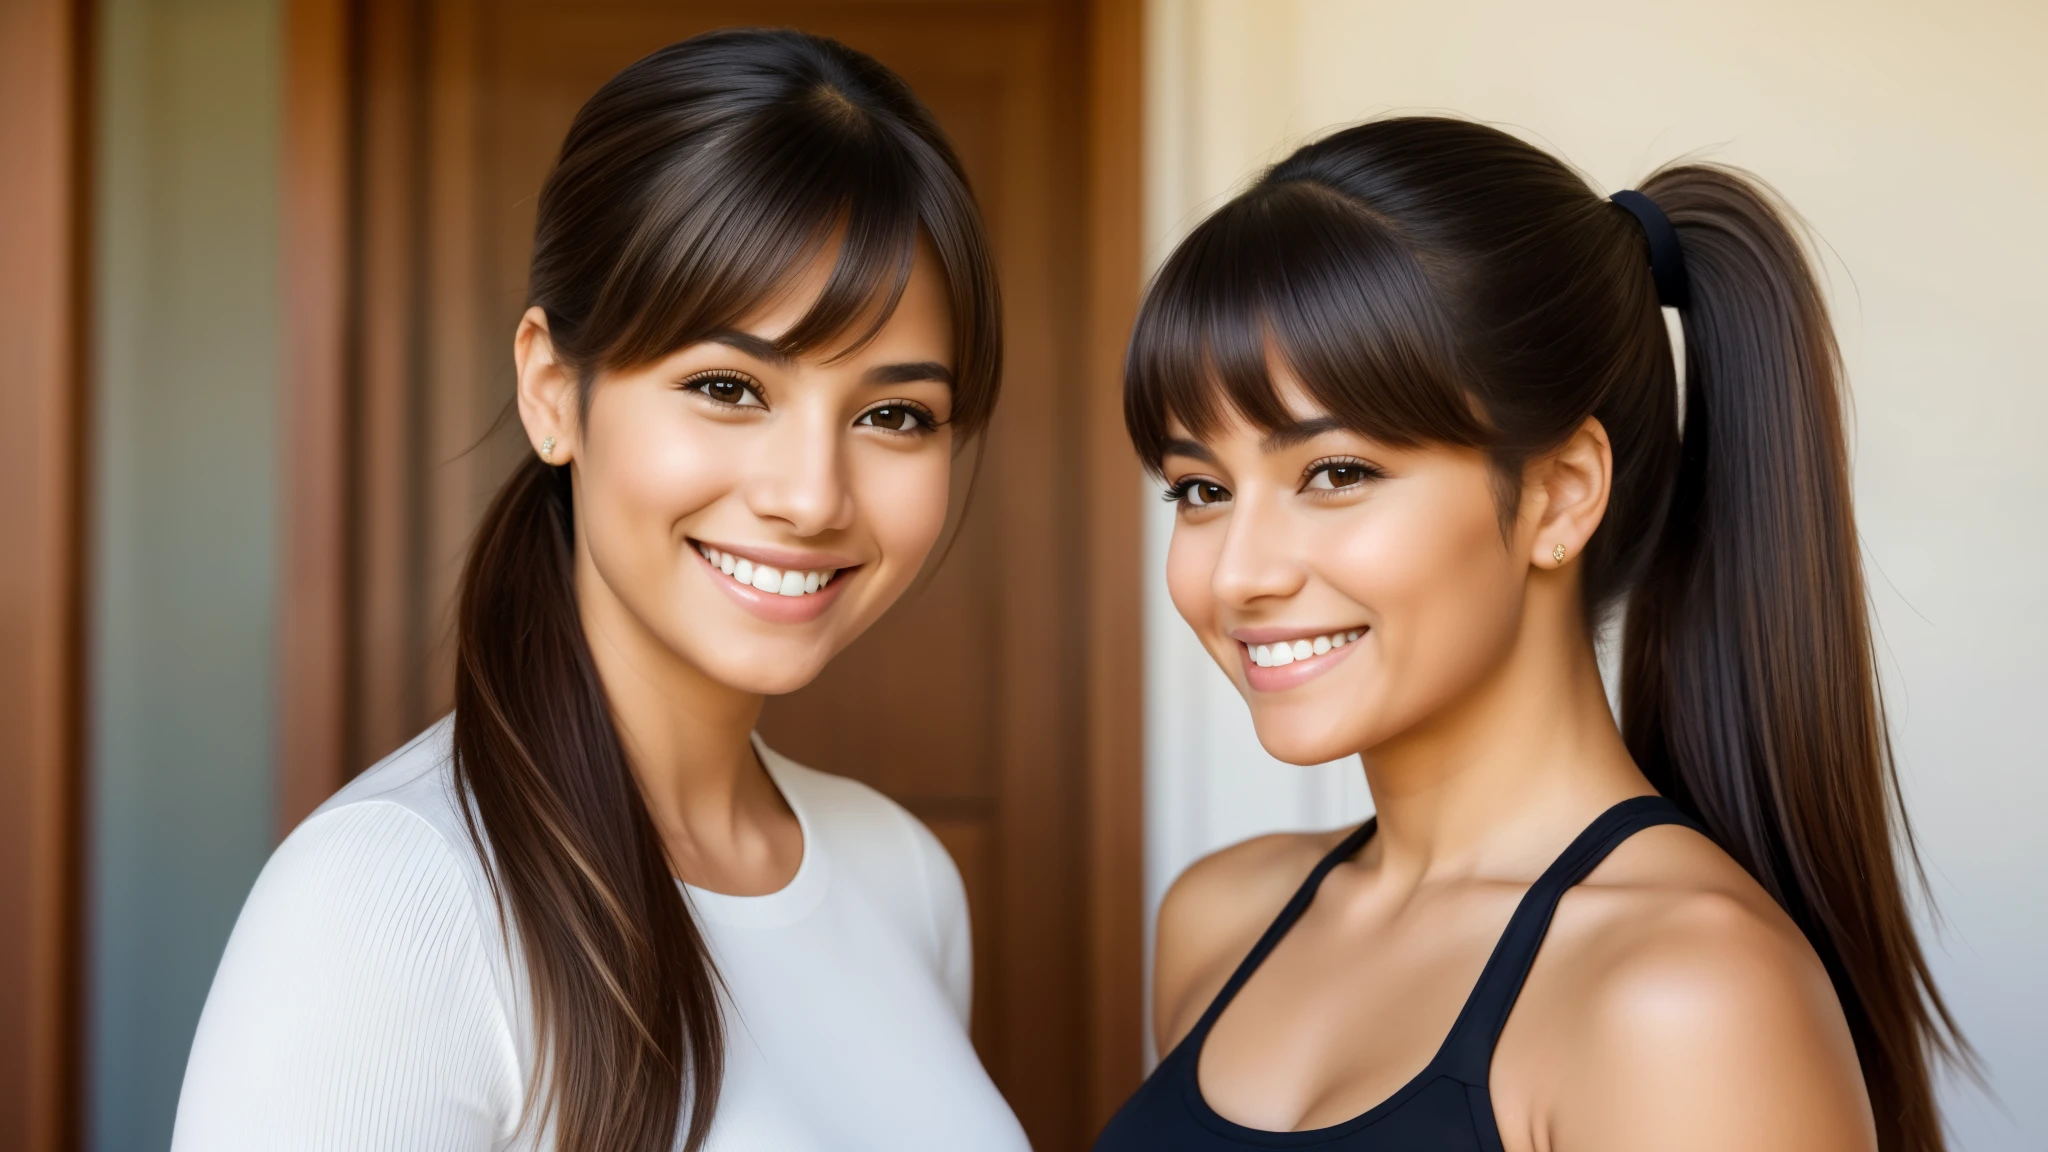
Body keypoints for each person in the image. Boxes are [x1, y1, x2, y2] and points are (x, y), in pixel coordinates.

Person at [173, 29, 1028, 1152]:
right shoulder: (387, 902)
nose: (812, 496)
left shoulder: (901, 878)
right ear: (552, 393)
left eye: (892, 415)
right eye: (727, 386)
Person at [1093, 117, 1961, 1152]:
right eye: (1198, 489)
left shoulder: (1681, 1000)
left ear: (1557, 496)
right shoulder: (1217, 919)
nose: (1235, 573)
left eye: (1334, 473)